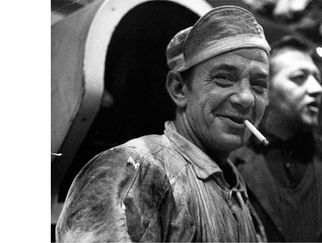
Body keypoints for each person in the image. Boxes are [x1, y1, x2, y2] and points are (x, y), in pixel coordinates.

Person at [56, 6, 271, 242]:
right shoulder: (136, 170)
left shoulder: (238, 193)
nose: (246, 98)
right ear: (179, 89)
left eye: (259, 84)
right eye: (224, 78)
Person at [230, 36, 322, 242]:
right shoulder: (228, 170)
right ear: (265, 91)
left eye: (317, 78)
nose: (317, 89)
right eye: (299, 77)